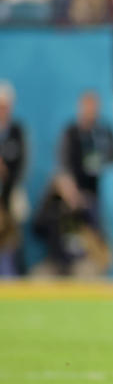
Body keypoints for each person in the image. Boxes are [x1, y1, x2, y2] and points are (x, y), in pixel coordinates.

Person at [58, 91, 113, 220]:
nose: (90, 110)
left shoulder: (106, 134)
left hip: (100, 195)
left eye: (94, 106)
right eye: (87, 106)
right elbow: (64, 167)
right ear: (80, 107)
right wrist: (73, 194)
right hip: (76, 193)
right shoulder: (71, 133)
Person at [0, 82, 26, 276]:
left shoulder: (16, 131)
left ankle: (13, 273)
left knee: (12, 234)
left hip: (10, 190)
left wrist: (9, 176)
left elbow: (22, 162)